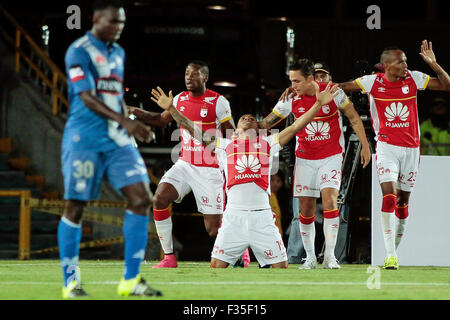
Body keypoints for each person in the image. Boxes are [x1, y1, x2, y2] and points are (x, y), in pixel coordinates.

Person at [150, 83, 340, 268]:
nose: (248, 117)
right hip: (233, 218)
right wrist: (171, 109)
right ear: (235, 131)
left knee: (281, 267)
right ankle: (241, 256)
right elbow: (192, 129)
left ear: (259, 130)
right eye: (243, 118)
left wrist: (317, 104)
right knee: (216, 265)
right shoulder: (224, 146)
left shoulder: (268, 143)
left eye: (252, 118)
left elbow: (296, 126)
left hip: (262, 218)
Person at [59, 0, 162, 298]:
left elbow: (112, 94)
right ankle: (71, 282)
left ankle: (131, 280)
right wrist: (126, 123)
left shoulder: (118, 53)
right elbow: (88, 97)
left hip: (117, 140)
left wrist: (131, 118)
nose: (118, 28)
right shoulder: (78, 50)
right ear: (96, 19)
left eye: (122, 24)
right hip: (85, 140)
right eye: (113, 22)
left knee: (142, 198)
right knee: (76, 207)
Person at [338, 40, 450, 269]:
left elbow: (447, 86)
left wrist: (435, 64)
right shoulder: (372, 82)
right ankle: (391, 255)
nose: (406, 65)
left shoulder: (414, 78)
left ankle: (394, 249)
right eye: (401, 61)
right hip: (387, 147)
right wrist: (314, 87)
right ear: (387, 65)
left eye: (406, 61)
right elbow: (342, 86)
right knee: (388, 196)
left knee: (402, 203)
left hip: (411, 149)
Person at [128, 61, 245, 268]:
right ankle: (169, 257)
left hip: (210, 169)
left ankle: (241, 249)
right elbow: (160, 120)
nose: (189, 77)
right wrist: (133, 110)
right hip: (185, 164)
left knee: (214, 229)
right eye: (186, 74)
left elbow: (231, 136)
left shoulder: (218, 102)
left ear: (205, 78)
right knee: (159, 199)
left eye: (194, 74)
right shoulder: (180, 99)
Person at [259, 59, 371, 269]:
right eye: (291, 81)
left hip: (331, 156)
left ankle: (329, 256)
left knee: (330, 200)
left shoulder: (332, 93)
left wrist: (365, 146)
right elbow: (268, 122)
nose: (293, 85)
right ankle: (310, 257)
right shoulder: (291, 98)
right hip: (305, 158)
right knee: (306, 208)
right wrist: (245, 127)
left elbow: (354, 118)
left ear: (310, 79)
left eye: (297, 81)